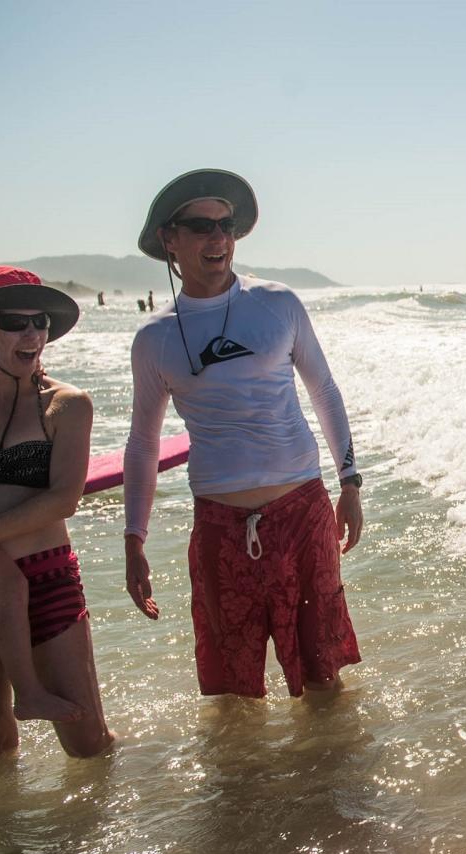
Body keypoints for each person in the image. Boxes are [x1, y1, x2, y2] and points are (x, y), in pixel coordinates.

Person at [124, 169, 364, 699]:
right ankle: (245, 784)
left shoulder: (277, 304)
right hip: (220, 526)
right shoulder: (155, 338)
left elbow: (323, 389)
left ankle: (331, 781)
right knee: (232, 693)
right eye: (202, 227)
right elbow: (142, 443)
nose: (219, 239)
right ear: (170, 241)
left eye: (227, 226)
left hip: (303, 511)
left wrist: (349, 481)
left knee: (324, 676)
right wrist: (133, 538)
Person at [0, 267, 115, 757]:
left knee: (87, 743)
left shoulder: (67, 404)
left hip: (46, 576)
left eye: (41, 322)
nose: (33, 333)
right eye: (16, 323)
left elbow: (64, 499)